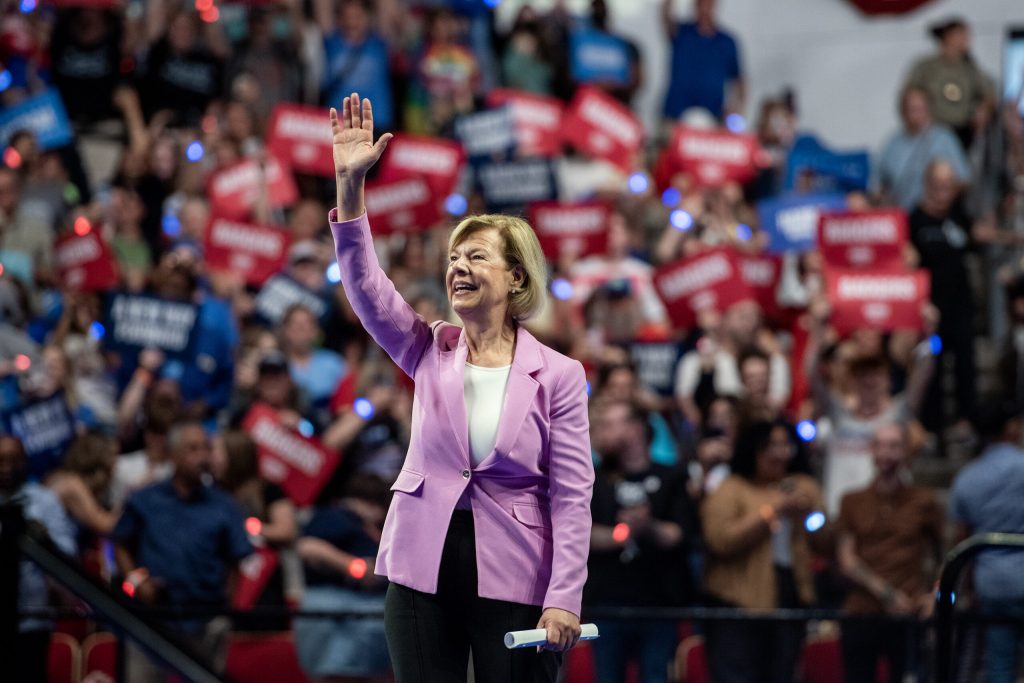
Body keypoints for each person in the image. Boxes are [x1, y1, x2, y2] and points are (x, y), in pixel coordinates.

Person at [328, 93, 593, 681]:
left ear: (516, 277)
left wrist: (563, 598)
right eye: (453, 258)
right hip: (422, 568)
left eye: (476, 255)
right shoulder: (429, 346)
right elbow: (368, 289)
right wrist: (351, 192)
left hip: (518, 575)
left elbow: (572, 497)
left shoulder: (560, 375)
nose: (458, 267)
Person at [111, 421, 253, 681]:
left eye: (206, 449)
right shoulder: (146, 499)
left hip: (205, 621)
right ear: (174, 455)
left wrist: (225, 612)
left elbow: (237, 560)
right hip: (152, 619)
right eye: (193, 449)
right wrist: (136, 580)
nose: (202, 457)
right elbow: (119, 542)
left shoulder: (224, 506)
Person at [701, 420, 824, 683]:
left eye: (785, 445)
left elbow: (826, 539)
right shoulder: (731, 489)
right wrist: (771, 511)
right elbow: (720, 540)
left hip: (789, 592)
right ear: (753, 450)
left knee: (783, 671)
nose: (780, 453)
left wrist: (809, 513)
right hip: (737, 602)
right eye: (771, 446)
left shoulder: (803, 488)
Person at [587, 399, 691, 683]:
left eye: (610, 424)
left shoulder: (671, 477)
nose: (602, 432)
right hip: (606, 603)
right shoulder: (595, 479)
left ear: (635, 429)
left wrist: (649, 526)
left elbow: (679, 534)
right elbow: (580, 533)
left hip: (658, 602)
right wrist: (624, 533)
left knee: (656, 676)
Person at [837, 422, 944, 683]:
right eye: (880, 445)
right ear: (871, 451)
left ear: (906, 452)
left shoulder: (923, 501)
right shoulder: (852, 500)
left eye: (894, 445)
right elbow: (847, 559)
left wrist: (934, 596)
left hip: (908, 613)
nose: (886, 453)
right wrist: (887, 594)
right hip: (862, 611)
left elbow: (945, 556)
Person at [949, 403, 1024, 683]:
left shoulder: (967, 478)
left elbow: (962, 541)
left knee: (1000, 666)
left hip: (992, 585)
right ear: (1011, 428)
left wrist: (969, 589)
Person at [295, 473, 391, 682]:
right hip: (337, 605)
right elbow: (307, 547)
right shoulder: (337, 516)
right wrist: (350, 566)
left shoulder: (379, 527)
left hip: (373, 608)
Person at [0, 435, 76, 683]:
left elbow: (68, 556)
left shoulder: (45, 500)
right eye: (1, 461)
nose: (7, 468)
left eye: (14, 460)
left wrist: (44, 541)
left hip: (33, 619)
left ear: (25, 462)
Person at [904, 17, 996, 150]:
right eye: (961, 35)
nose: (966, 40)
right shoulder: (927, 66)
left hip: (964, 131)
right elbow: (909, 96)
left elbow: (989, 93)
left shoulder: (970, 68)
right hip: (932, 131)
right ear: (948, 37)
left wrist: (983, 110)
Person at [877, 85, 971, 211]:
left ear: (929, 109)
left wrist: (941, 198)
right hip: (904, 216)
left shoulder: (944, 138)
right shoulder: (892, 143)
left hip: (936, 216)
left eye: (920, 109)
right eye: (911, 109)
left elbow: (963, 180)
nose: (915, 115)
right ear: (902, 111)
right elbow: (880, 184)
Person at [661, 0, 744, 123]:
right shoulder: (682, 32)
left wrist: (734, 109)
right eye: (701, 4)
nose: (704, 9)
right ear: (695, 7)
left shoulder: (727, 42)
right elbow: (666, 16)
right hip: (675, 114)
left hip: (713, 116)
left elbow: (739, 81)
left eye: (708, 4)